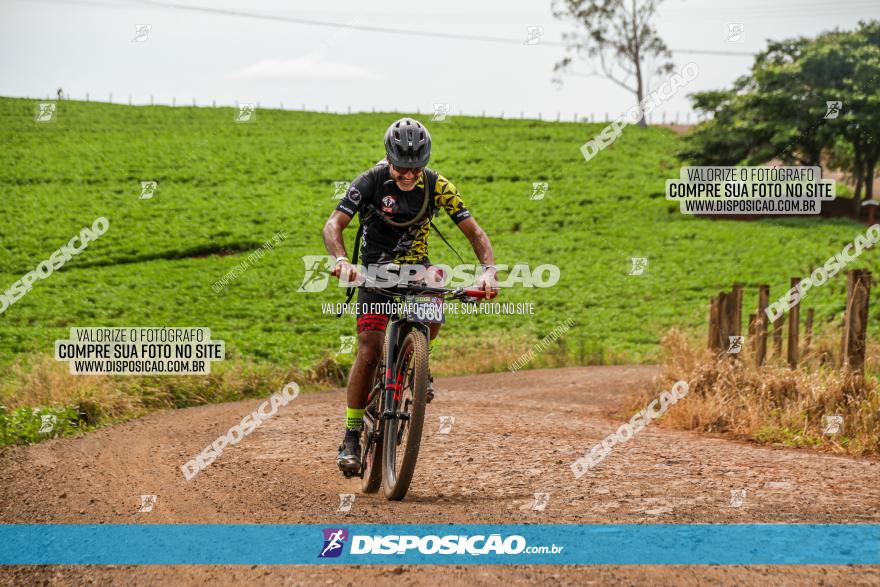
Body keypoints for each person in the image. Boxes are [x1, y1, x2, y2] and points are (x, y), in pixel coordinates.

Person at [322, 117, 497, 475]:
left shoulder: (437, 185)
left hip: (417, 267)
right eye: (401, 167)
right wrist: (341, 260)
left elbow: (475, 233)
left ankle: (419, 364)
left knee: (436, 296)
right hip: (374, 271)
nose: (408, 175)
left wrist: (488, 271)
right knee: (370, 349)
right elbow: (333, 224)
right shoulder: (370, 181)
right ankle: (352, 436)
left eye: (416, 168)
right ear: (389, 158)